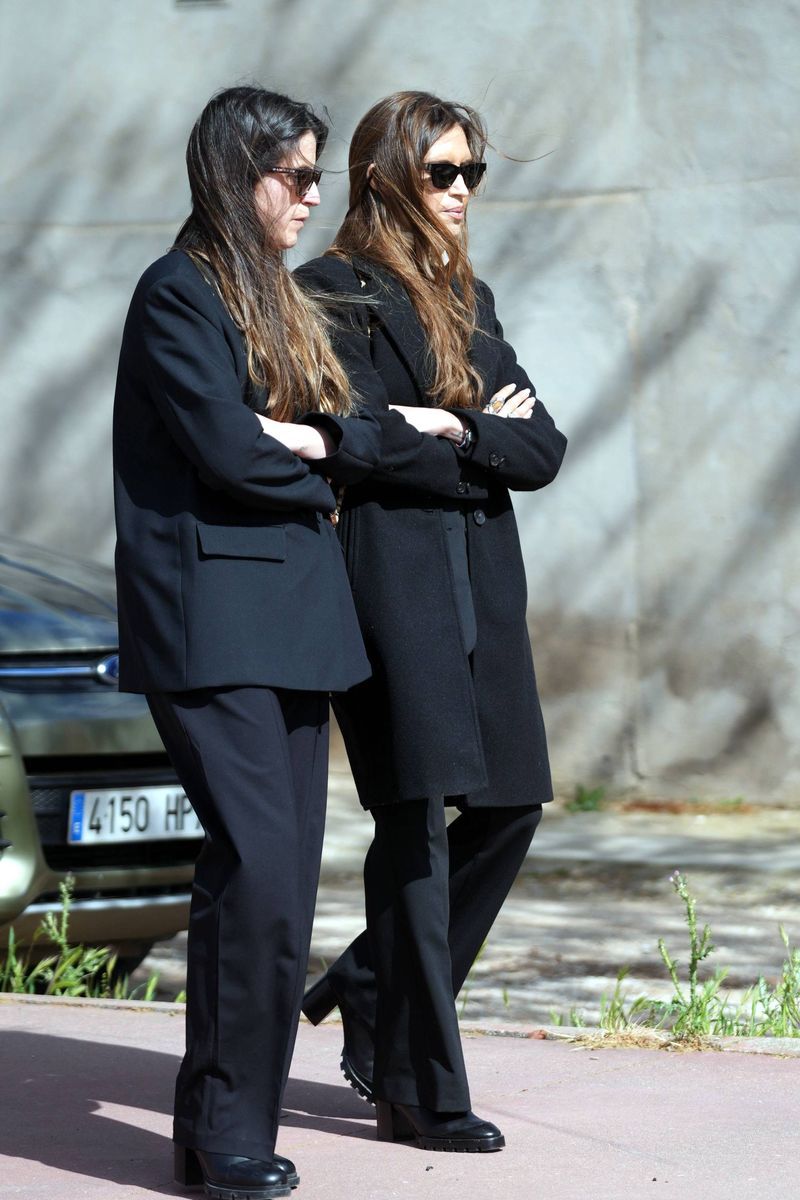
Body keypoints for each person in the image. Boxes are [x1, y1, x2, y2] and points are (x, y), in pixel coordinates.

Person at [113, 86, 380, 1199]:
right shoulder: (178, 292)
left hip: (298, 627)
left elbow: (348, 432)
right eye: (296, 176)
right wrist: (316, 450)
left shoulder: (278, 299)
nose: (314, 197)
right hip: (211, 626)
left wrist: (312, 437)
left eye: (319, 175)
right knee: (260, 875)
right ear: (236, 173)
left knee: (273, 886)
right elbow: (228, 451)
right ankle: (223, 1134)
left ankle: (226, 1124)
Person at [296, 91, 568, 1154]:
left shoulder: (473, 299)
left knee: (510, 805)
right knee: (410, 819)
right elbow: (355, 441)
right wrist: (469, 437)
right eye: (441, 173)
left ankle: (369, 987)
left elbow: (539, 450)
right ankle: (418, 1084)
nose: (461, 193)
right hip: (389, 589)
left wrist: (447, 426)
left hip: (483, 586)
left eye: (472, 175)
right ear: (382, 179)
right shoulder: (325, 296)